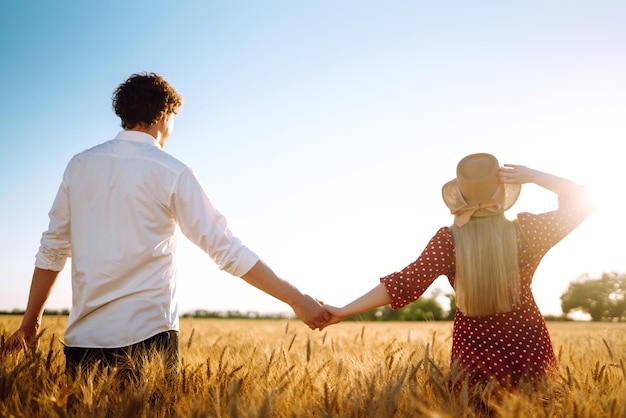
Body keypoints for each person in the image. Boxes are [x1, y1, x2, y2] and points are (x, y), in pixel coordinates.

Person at [3, 72, 329, 380]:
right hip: (148, 339)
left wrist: (30, 325)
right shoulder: (172, 171)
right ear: (163, 114)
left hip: (83, 344)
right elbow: (226, 249)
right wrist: (296, 299)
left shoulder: (79, 165)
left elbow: (53, 248)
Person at [321, 153, 594, 392]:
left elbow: (404, 284)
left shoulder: (448, 241)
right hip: (527, 342)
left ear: (460, 195)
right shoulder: (527, 232)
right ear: (503, 192)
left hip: (473, 351)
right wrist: (533, 176)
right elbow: (583, 202)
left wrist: (344, 310)